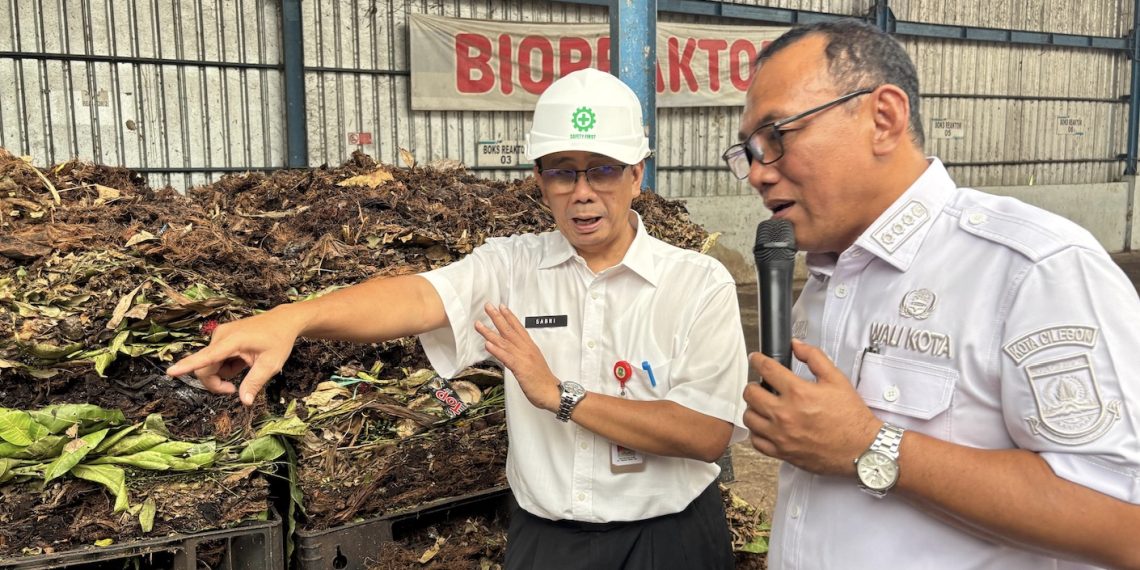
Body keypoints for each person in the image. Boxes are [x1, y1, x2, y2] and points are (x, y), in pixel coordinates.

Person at [169, 67, 748, 569]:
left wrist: (561, 396)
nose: (582, 192)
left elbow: (705, 434)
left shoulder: (696, 284)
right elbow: (415, 299)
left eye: (602, 169)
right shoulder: (511, 268)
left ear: (636, 174)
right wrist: (292, 319)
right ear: (539, 178)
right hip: (548, 543)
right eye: (562, 171)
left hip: (670, 540)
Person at [728, 19, 1140, 570]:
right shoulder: (822, 283)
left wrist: (868, 445)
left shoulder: (1033, 269)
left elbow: (1123, 522)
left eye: (776, 137)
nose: (757, 173)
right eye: (749, 152)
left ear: (884, 118)